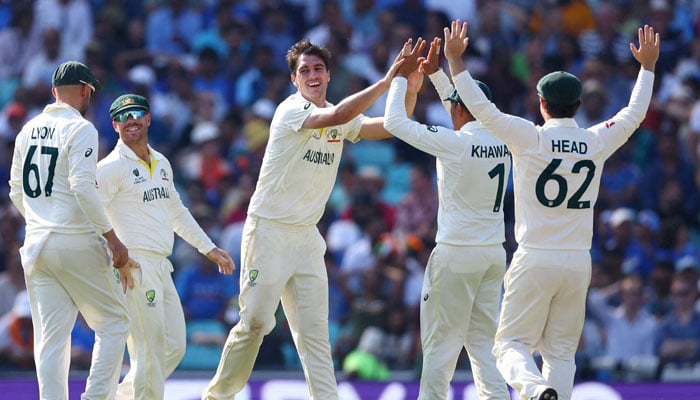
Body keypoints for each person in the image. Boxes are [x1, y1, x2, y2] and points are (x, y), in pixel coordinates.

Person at [442, 20, 660, 400]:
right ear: (577, 106)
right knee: (561, 354)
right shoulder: (595, 139)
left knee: (508, 344)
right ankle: (547, 390)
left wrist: (455, 63)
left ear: (541, 104)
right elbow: (634, 113)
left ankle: (536, 388)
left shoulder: (530, 137)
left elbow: (482, 109)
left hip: (535, 258)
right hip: (578, 261)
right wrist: (648, 67)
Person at [202, 38, 421, 400]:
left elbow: (392, 125)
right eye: (304, 70)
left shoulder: (338, 112)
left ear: (329, 74)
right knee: (255, 323)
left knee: (315, 336)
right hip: (269, 231)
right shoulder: (291, 111)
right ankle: (217, 397)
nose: (312, 75)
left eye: (318, 68)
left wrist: (406, 88)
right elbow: (337, 118)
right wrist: (386, 81)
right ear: (294, 80)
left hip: (306, 238)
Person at [383, 37, 511, 400]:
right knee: (483, 349)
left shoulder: (454, 143)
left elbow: (394, 121)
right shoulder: (505, 140)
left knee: (439, 348)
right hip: (491, 255)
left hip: (455, 256)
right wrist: (438, 75)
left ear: (457, 110)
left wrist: (400, 76)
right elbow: (465, 112)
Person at [9, 61, 138, 399]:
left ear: (54, 92)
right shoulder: (81, 128)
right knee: (113, 323)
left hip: (36, 244)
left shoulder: (27, 129)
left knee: (51, 339)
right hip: (74, 240)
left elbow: (14, 191)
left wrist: (41, 219)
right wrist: (112, 240)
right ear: (85, 90)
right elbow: (83, 187)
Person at [96, 94, 236, 400]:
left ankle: (118, 397)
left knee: (174, 346)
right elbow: (91, 216)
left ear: (148, 118)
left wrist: (208, 248)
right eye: (123, 116)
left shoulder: (161, 162)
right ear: (114, 125)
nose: (130, 119)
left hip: (161, 264)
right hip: (133, 266)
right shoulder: (109, 168)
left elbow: (176, 211)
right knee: (148, 350)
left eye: (136, 113)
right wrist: (114, 255)